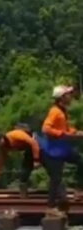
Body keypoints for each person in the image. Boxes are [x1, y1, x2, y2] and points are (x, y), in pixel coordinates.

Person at [39, 85, 83, 216]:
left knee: (81, 161)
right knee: (56, 179)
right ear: (62, 98)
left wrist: (76, 132)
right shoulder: (55, 111)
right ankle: (50, 207)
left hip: (62, 149)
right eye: (68, 94)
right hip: (53, 152)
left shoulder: (63, 111)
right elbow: (45, 129)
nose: (71, 96)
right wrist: (64, 134)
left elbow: (66, 128)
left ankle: (78, 188)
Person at [0, 124, 40, 198]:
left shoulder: (15, 135)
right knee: (24, 173)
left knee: (51, 169)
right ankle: (24, 197)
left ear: (1, 137)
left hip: (39, 146)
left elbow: (33, 143)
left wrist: (36, 160)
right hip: (29, 151)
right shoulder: (3, 148)